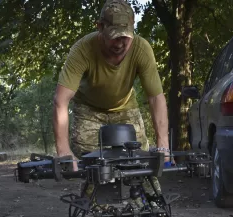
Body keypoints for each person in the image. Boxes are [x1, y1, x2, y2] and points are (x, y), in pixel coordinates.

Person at [52, 0, 170, 195]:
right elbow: (61, 100)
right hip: (89, 110)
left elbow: (156, 98)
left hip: (125, 108)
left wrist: (163, 145)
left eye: (126, 37)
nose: (121, 44)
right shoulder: (82, 50)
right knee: (95, 167)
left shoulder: (141, 49)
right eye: (114, 37)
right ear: (100, 28)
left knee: (142, 165)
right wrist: (63, 151)